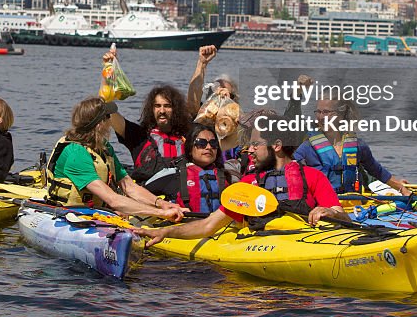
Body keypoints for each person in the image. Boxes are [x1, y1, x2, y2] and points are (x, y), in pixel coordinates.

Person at [136, 116, 346, 245]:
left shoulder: (312, 176)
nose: (249, 150)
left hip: (304, 242)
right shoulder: (245, 186)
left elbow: (343, 217)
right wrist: (165, 231)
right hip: (260, 247)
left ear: (277, 145)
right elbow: (208, 225)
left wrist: (330, 211)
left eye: (256, 144)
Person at [44, 96, 185, 221]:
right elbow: (113, 200)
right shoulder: (76, 153)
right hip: (71, 213)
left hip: (97, 210)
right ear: (99, 124)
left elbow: (128, 186)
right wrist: (160, 213)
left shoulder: (104, 147)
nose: (110, 121)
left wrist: (161, 204)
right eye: (108, 117)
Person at [294, 97, 411, 195]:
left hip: (353, 204)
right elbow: (287, 169)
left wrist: (403, 190)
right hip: (322, 205)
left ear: (340, 115)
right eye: (318, 112)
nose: (320, 117)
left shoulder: (358, 146)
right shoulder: (307, 147)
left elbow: (378, 172)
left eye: (326, 112)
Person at [108, 82, 192, 196]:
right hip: (150, 198)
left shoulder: (188, 137)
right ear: (151, 109)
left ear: (175, 109)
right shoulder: (139, 136)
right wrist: (107, 91)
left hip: (183, 197)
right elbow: (113, 116)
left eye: (167, 106)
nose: (162, 111)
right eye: (157, 106)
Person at [174, 124, 231, 213]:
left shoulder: (226, 176)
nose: (208, 147)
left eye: (213, 143)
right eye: (201, 143)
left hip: (218, 226)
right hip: (187, 224)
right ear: (189, 149)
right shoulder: (174, 174)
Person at [187, 44, 237, 118]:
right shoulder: (201, 116)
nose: (221, 95)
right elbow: (192, 103)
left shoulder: (239, 122)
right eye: (214, 95)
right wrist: (202, 63)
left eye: (226, 95)